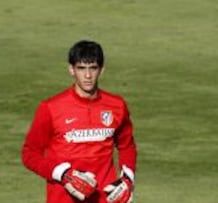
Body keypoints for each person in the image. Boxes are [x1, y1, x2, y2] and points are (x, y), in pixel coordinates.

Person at [21, 40, 137, 203]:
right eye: (81, 68)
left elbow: (127, 146)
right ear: (71, 70)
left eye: (93, 68)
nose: (88, 76)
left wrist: (128, 178)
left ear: (102, 70)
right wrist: (62, 174)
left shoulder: (117, 106)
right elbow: (29, 154)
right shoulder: (51, 108)